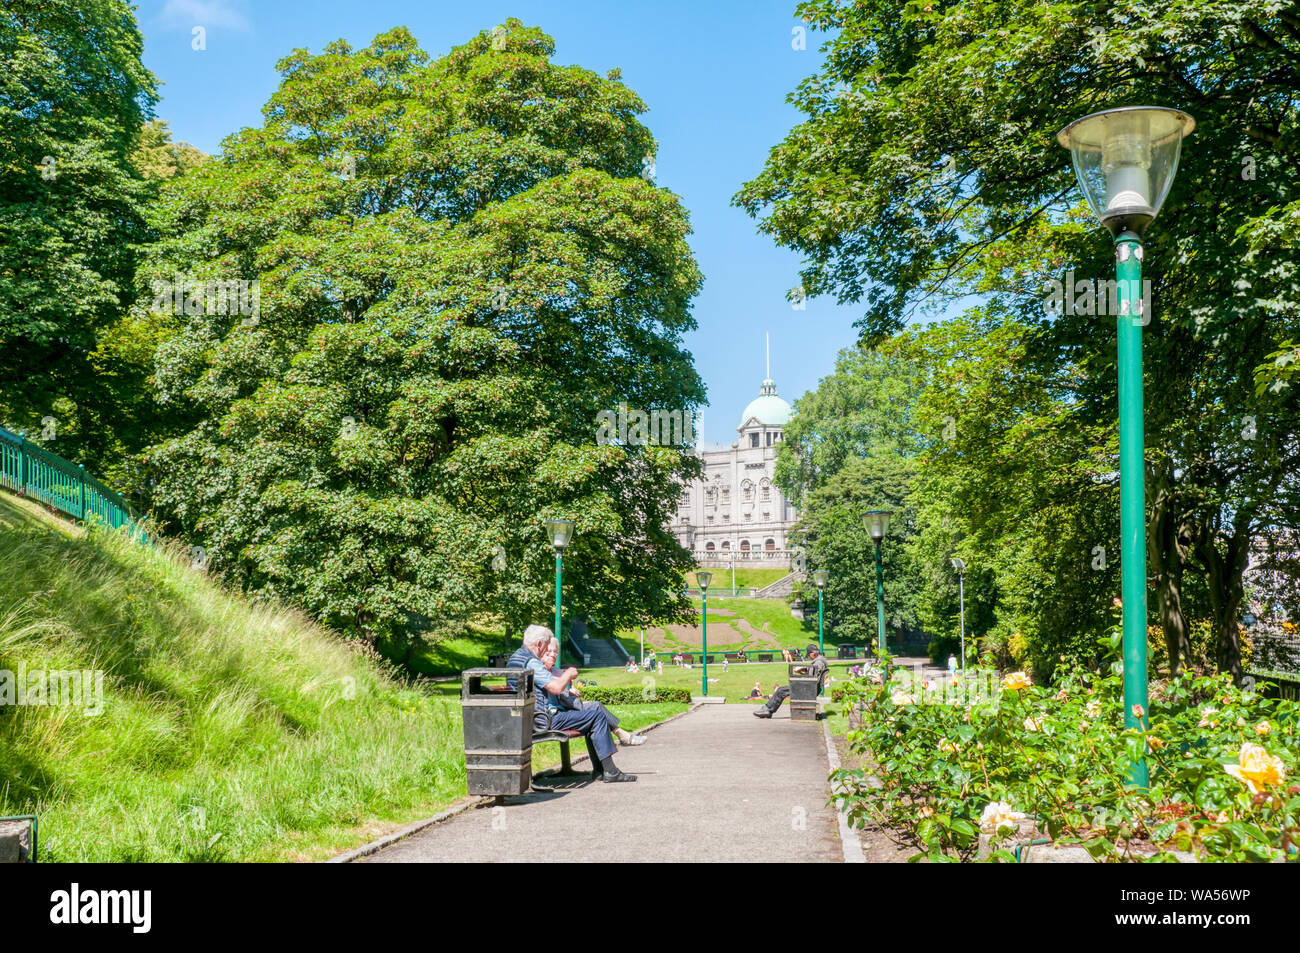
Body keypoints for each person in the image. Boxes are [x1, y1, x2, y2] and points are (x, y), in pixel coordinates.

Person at [507, 625, 636, 782]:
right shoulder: (531, 662)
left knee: (592, 717)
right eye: (547, 645)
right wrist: (568, 674)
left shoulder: (517, 657)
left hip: (529, 718)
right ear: (540, 644)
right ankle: (610, 771)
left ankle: (600, 771)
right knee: (597, 716)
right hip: (543, 719)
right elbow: (555, 688)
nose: (547, 649)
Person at [542, 638, 644, 747]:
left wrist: (570, 688)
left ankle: (620, 737)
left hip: (566, 707)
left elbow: (565, 690)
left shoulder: (556, 671)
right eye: (549, 652)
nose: (553, 655)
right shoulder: (541, 672)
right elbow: (556, 688)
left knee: (596, 706)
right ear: (541, 653)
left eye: (555, 652)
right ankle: (621, 737)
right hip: (555, 715)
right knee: (595, 711)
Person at [753, 644, 829, 719]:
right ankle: (768, 709)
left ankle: (768, 710)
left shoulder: (818, 662)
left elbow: (812, 677)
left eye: (809, 655)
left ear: (812, 653)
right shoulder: (820, 661)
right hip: (809, 688)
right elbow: (813, 675)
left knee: (781, 691)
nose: (809, 657)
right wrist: (803, 670)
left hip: (807, 689)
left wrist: (801, 674)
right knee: (782, 690)